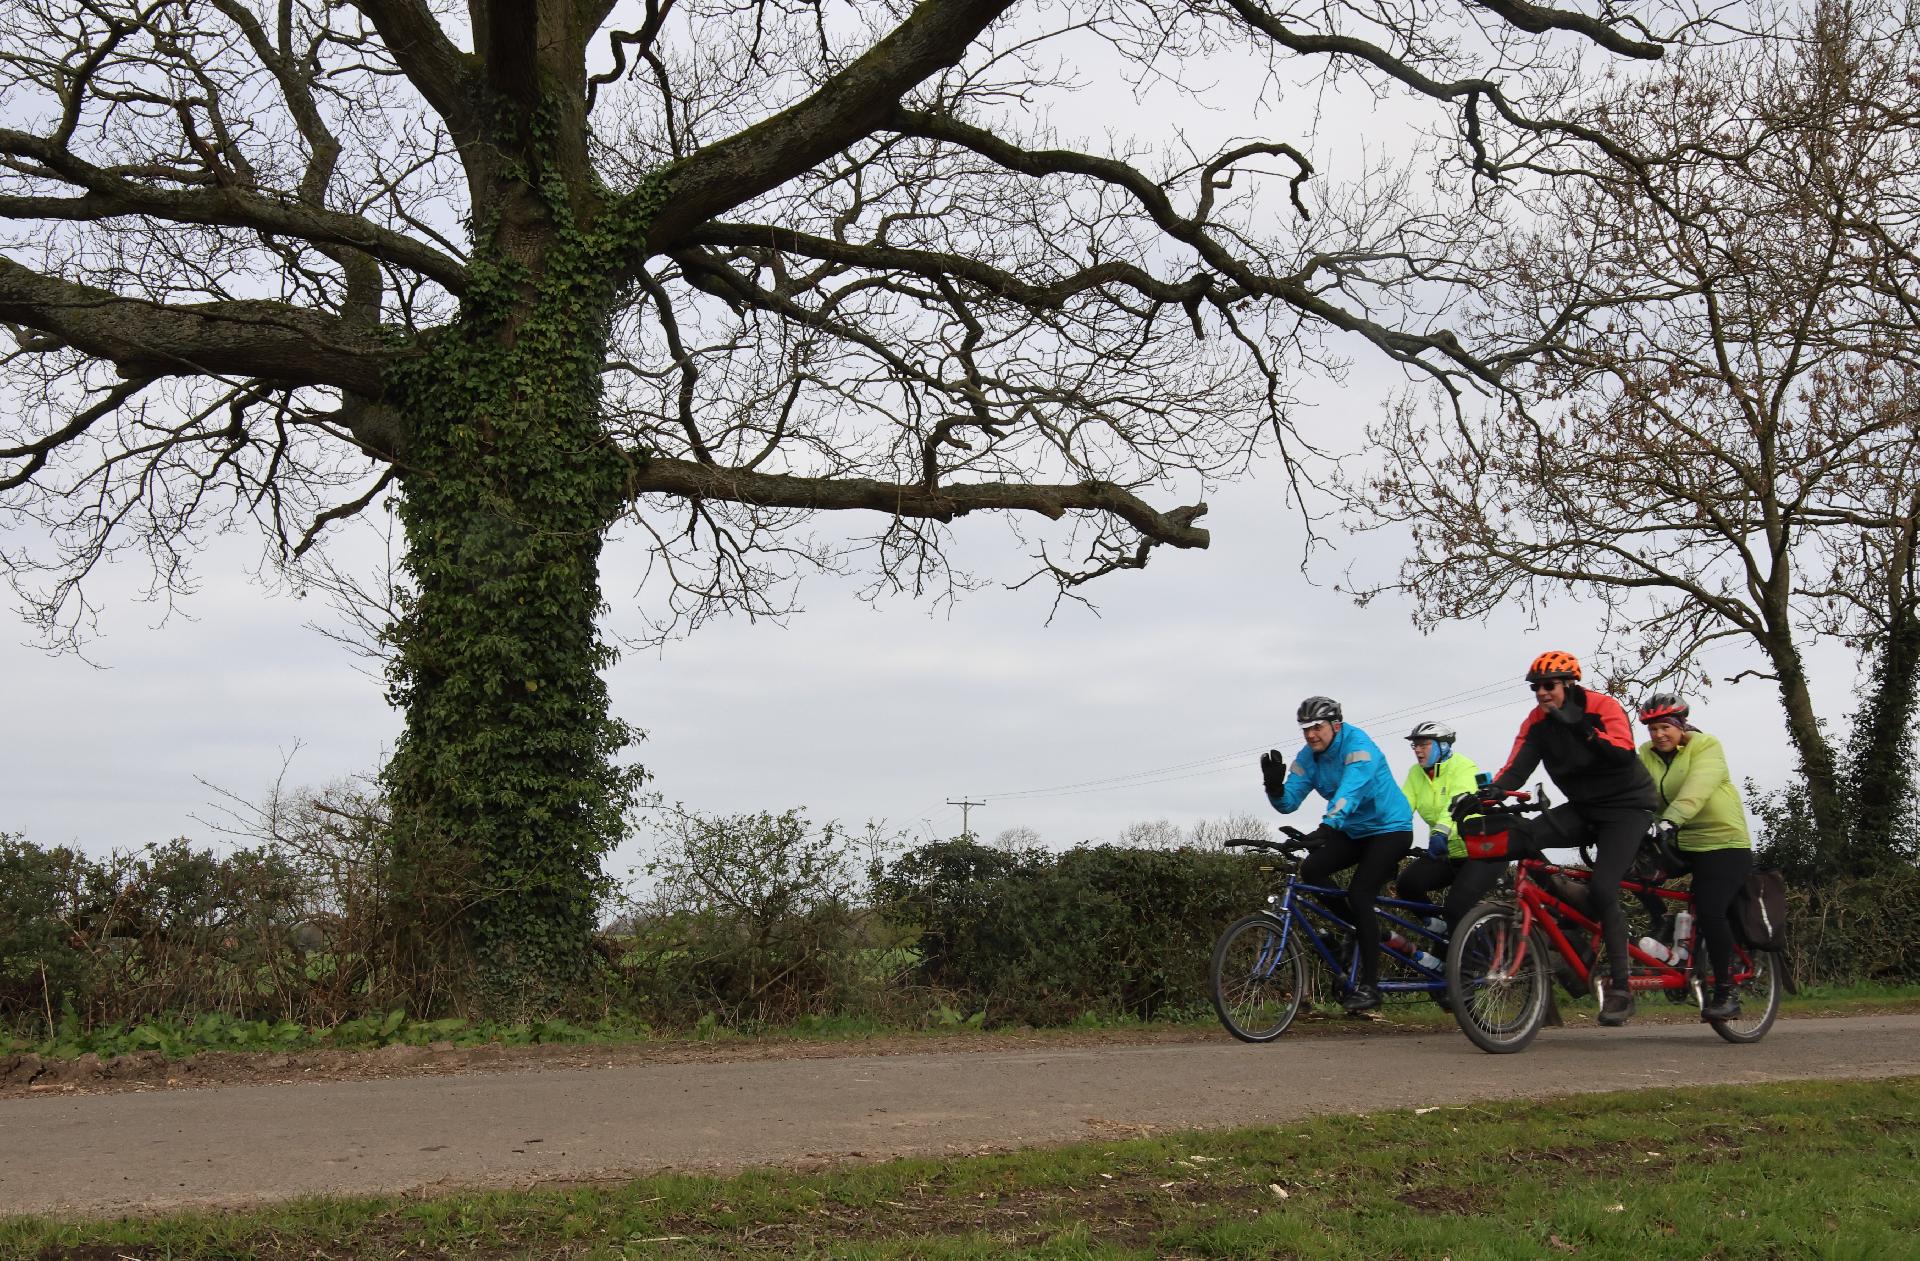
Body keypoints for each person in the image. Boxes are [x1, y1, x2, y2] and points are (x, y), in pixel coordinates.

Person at [1452, 651, 1657, 1027]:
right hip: (1583, 807)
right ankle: (1569, 924)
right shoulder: (1537, 722)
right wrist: (1487, 795)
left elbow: (1624, 754)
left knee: (1604, 890)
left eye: (1548, 686)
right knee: (1523, 837)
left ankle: (1621, 991)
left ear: (1568, 685)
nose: (1541, 694)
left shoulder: (1602, 706)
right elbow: (1516, 767)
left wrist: (1582, 729)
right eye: (1536, 688)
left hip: (1627, 808)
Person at [1260, 695, 1415, 1014]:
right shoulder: (1309, 757)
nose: (1310, 734)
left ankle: (1370, 988)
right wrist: (1274, 788)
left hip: (1390, 828)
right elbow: (1289, 802)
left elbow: (1351, 791)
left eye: (1316, 727)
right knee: (1312, 870)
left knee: (1360, 894)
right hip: (1354, 830)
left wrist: (1327, 826)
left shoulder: (1359, 747)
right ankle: (1355, 927)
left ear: (1336, 725)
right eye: (1305, 728)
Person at [1636, 693, 1755, 1021]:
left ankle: (1727, 992)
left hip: (1723, 843)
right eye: (1652, 729)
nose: (1658, 735)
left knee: (1711, 910)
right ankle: (1663, 925)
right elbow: (1634, 789)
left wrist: (1670, 819)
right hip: (1679, 841)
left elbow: (1698, 788)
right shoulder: (1646, 754)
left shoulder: (1706, 747)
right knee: (1631, 871)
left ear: (1681, 725)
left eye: (1665, 727)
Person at [1393, 721, 1482, 913]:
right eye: (1415, 745)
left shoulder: (1464, 767)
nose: (1417, 750)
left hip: (1476, 853)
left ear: (1443, 745)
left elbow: (1457, 805)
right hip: (1444, 853)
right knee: (1407, 885)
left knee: (1456, 907)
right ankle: (1436, 928)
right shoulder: (1415, 773)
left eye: (1424, 744)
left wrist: (1440, 832)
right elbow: (1401, 808)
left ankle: (1469, 939)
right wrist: (1383, 835)